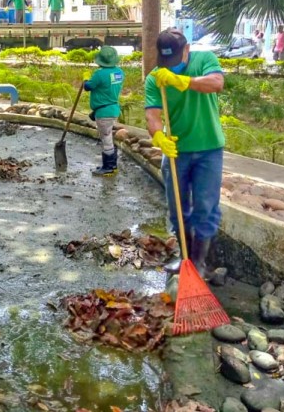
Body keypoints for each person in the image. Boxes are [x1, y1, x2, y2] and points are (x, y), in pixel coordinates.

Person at [144, 28, 225, 279]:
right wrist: (158, 136)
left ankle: (199, 263)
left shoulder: (205, 60)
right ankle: (185, 259)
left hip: (209, 149)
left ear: (187, 50)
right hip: (177, 152)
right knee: (178, 209)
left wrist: (185, 81)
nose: (170, 67)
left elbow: (217, 83)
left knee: (206, 207)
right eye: (166, 62)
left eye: (175, 61)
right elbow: (152, 115)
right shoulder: (155, 78)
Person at [83, 46, 124, 177]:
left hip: (103, 112)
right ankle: (112, 165)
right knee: (108, 137)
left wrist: (85, 80)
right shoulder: (119, 73)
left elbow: (89, 87)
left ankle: (109, 167)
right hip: (113, 109)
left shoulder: (100, 74)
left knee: (106, 138)